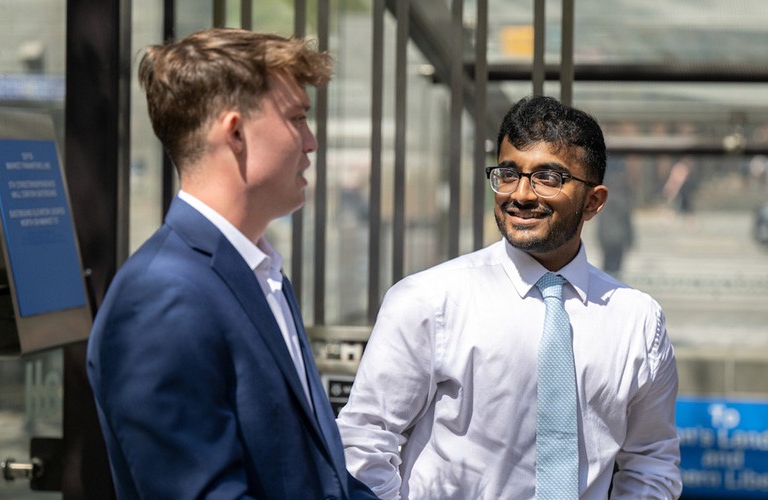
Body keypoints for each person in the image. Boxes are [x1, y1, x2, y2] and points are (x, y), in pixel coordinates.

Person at [336, 96, 682, 499]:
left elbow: (651, 461)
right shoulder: (428, 301)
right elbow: (364, 443)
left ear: (593, 202)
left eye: (548, 177)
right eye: (508, 173)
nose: (520, 194)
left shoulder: (637, 321)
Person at [87, 28, 376, 499]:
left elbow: (323, 478)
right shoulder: (162, 298)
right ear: (236, 132)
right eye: (297, 118)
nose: (311, 142)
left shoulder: (257, 273)